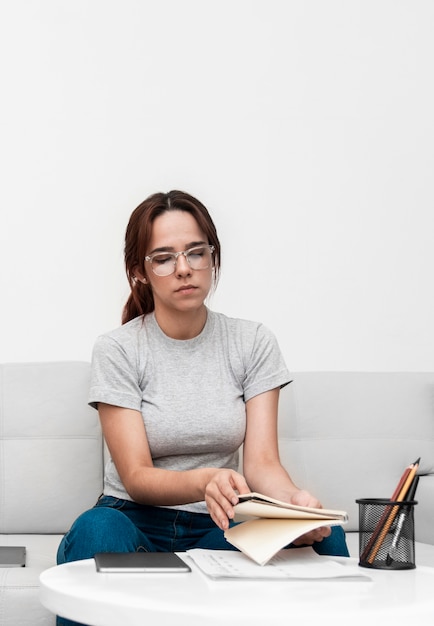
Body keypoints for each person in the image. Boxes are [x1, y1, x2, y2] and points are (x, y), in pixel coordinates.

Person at [55, 190, 348, 625]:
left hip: (222, 524)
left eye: (196, 252)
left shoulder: (252, 342)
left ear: (213, 256)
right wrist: (207, 479)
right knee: (96, 529)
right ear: (140, 271)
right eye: (164, 257)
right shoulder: (117, 349)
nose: (184, 268)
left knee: (325, 537)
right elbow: (135, 478)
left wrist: (292, 505)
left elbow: (263, 463)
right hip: (135, 521)